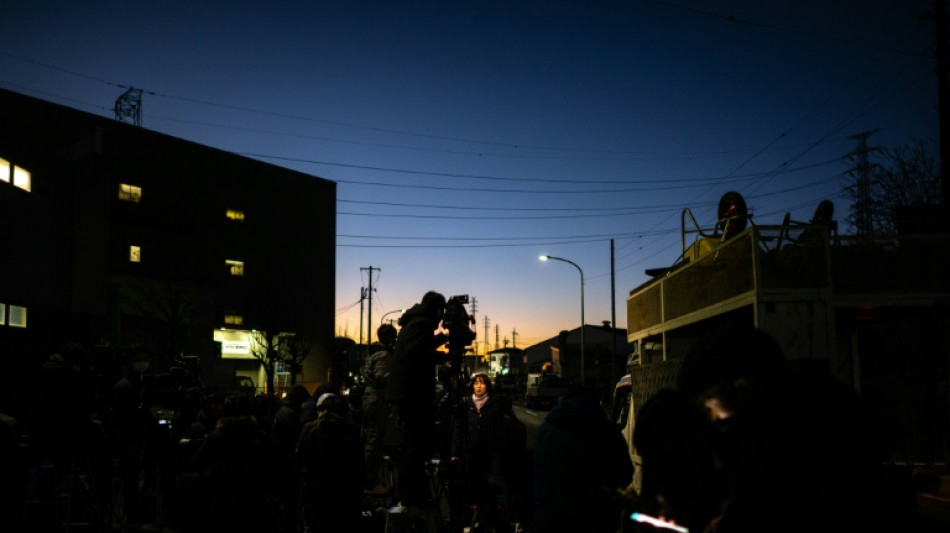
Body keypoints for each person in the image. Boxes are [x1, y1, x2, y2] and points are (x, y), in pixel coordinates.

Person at [676, 325, 880, 533]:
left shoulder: (762, 442)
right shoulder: (834, 406)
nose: (713, 417)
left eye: (710, 404)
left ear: (742, 389)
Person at [532, 385, 633, 533]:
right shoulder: (607, 432)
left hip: (551, 515)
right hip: (594, 518)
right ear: (595, 403)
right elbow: (624, 474)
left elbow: (537, 468)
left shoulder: (547, 429)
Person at [385, 290, 449, 508]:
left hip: (406, 392)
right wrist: (442, 355)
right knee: (415, 446)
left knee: (413, 445)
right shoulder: (421, 323)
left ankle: (412, 491)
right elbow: (416, 354)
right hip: (413, 394)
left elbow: (418, 347)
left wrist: (439, 340)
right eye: (441, 313)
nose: (442, 319)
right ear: (436, 309)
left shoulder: (414, 323)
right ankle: (413, 494)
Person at [296, 393, 364, 533]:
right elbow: (359, 465)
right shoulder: (352, 432)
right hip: (346, 494)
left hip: (318, 493)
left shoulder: (313, 432)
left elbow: (302, 461)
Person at [362, 322, 397, 494]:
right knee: (374, 440)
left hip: (370, 398)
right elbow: (382, 377)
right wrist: (397, 373)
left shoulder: (374, 352)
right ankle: (371, 482)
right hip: (377, 399)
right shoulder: (383, 354)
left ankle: (370, 478)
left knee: (371, 438)